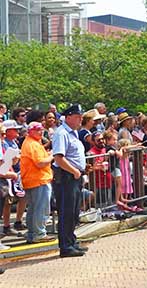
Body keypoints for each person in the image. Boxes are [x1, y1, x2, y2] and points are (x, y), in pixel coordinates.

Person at [52, 104, 89, 257]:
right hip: (66, 177)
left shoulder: (73, 133)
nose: (80, 119)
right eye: (77, 116)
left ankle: (71, 241)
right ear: (68, 117)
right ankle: (65, 246)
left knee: (73, 212)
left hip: (75, 176)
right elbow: (58, 158)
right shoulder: (62, 133)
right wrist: (74, 171)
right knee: (66, 212)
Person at [20, 122, 55, 243]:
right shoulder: (32, 144)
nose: (41, 132)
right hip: (39, 180)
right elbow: (40, 163)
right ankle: (39, 234)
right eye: (37, 130)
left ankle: (32, 234)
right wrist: (52, 156)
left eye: (41, 130)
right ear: (31, 131)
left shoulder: (31, 143)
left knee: (33, 209)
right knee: (41, 208)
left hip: (33, 180)